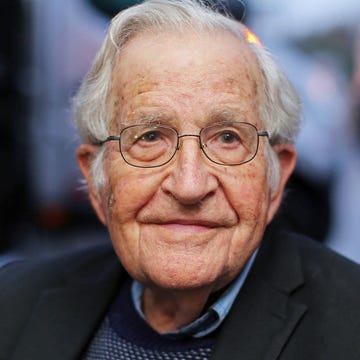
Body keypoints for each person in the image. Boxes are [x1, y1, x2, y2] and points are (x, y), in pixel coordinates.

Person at [1, 0, 359, 359]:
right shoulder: (12, 302)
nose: (189, 186)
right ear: (97, 180)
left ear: (276, 177)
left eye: (228, 138)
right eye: (151, 137)